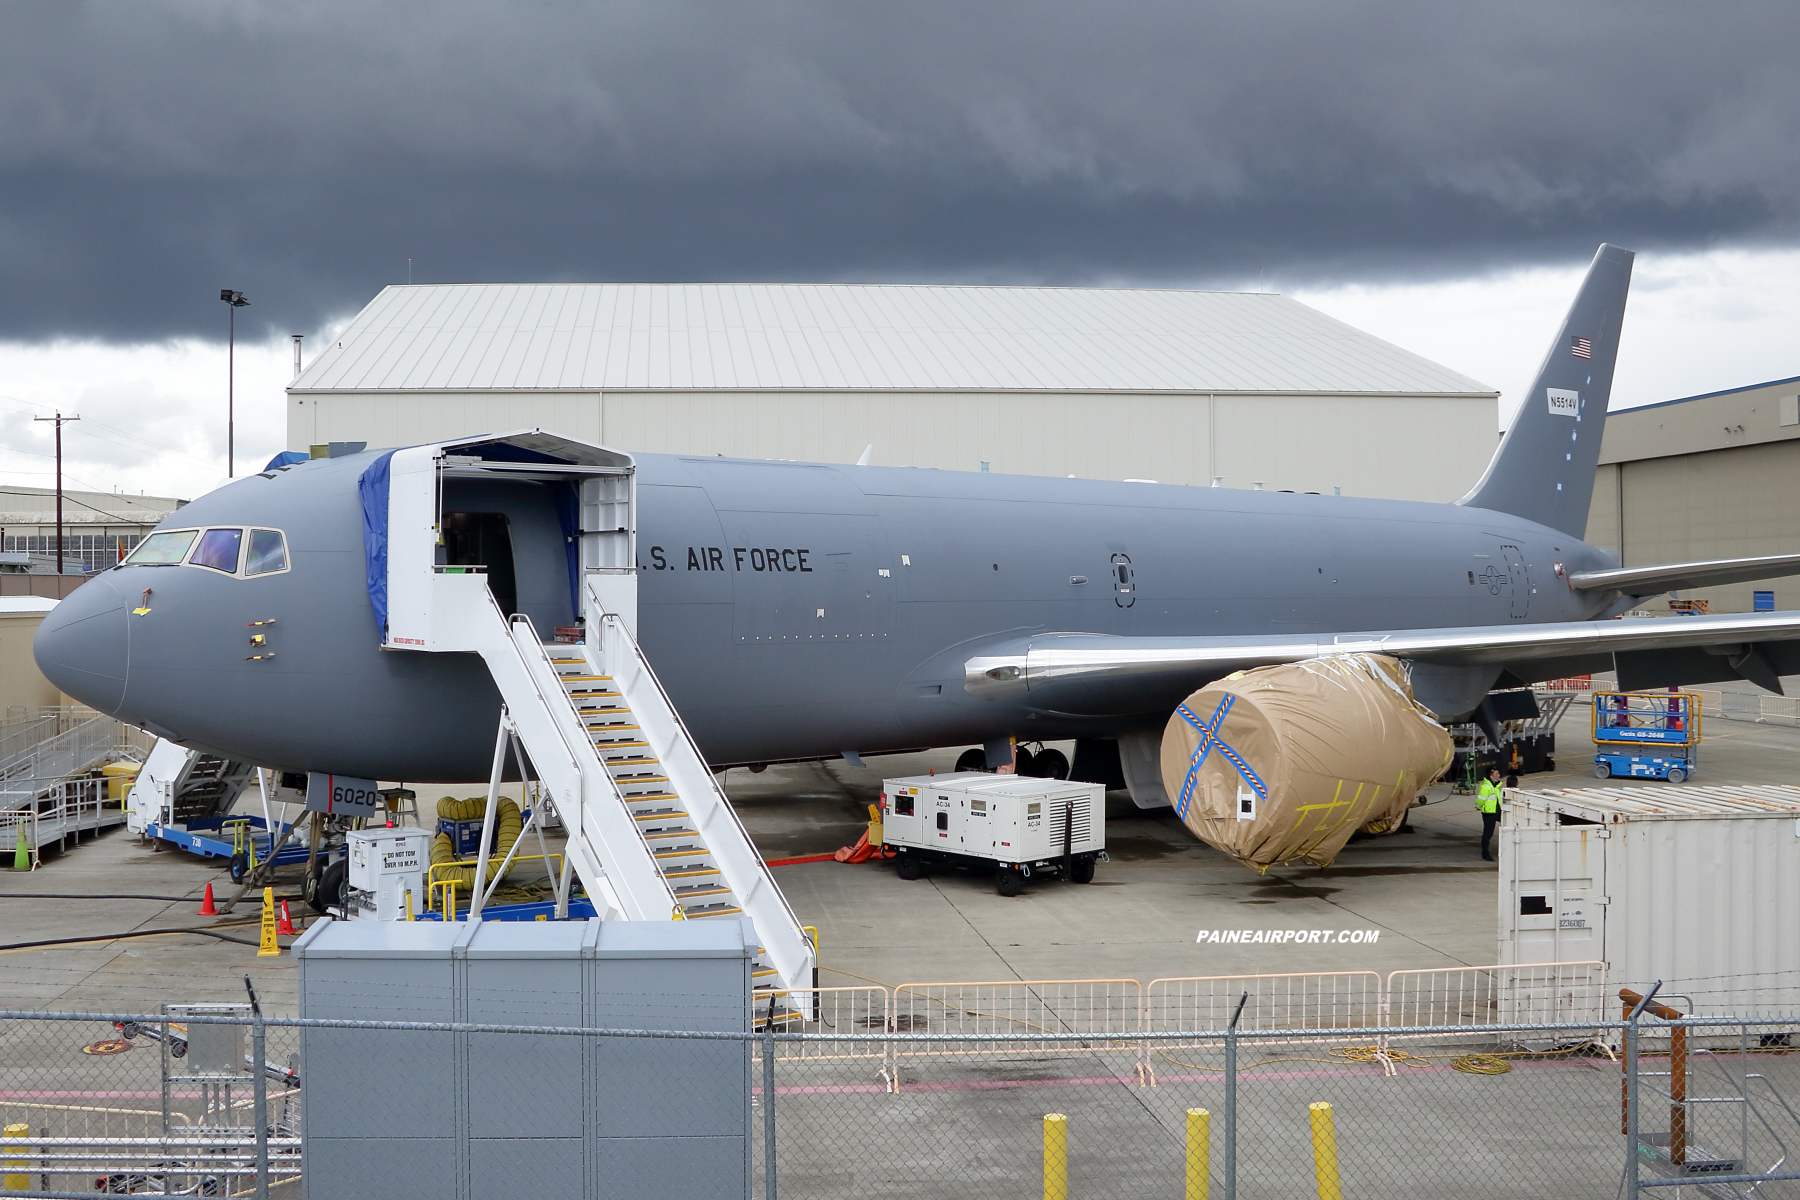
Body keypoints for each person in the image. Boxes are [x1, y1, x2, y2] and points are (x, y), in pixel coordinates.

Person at [1477, 767, 1504, 861]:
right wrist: (1479, 806)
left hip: (1497, 811)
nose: (1499, 776)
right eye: (1497, 774)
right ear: (1491, 776)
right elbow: (1480, 799)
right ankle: (1485, 853)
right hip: (1489, 813)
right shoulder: (1486, 786)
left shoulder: (1495, 785)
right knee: (1488, 833)